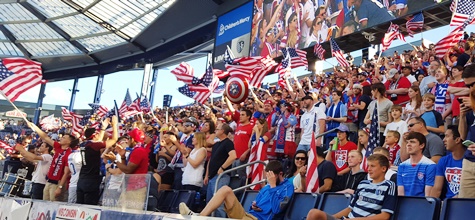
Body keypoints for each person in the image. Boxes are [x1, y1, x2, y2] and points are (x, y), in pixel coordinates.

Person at [180, 160, 294, 219]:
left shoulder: (287, 187)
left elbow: (276, 210)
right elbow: (252, 206)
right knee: (225, 189)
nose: (269, 179)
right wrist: (254, 205)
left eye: (271, 176)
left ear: (280, 174)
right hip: (248, 215)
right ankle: (199, 216)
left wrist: (273, 186)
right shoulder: (268, 187)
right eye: (267, 176)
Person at [306, 154, 397, 220]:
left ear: (383, 169)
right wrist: (333, 217)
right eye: (368, 166)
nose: (368, 169)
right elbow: (350, 208)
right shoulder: (363, 183)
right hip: (348, 218)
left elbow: (385, 216)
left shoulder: (389, 185)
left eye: (372, 166)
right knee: (314, 213)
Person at [28, 122, 79, 202]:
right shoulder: (58, 147)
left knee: (54, 203)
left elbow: (66, 173)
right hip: (49, 181)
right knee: (45, 202)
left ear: (69, 142)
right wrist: (35, 127)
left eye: (64, 138)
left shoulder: (69, 154)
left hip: (57, 183)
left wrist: (60, 187)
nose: (61, 138)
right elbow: (46, 138)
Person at [77, 116, 118, 205]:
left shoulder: (84, 144)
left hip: (81, 179)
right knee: (89, 209)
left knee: (78, 207)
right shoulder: (94, 145)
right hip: (91, 181)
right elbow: (114, 140)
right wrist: (115, 125)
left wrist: (103, 128)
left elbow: (98, 140)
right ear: (94, 135)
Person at [204, 123, 236, 217]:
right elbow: (211, 160)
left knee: (218, 205)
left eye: (217, 129)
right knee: (209, 203)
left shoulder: (228, 143)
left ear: (222, 131)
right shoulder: (217, 144)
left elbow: (233, 156)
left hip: (221, 177)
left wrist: (222, 168)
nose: (215, 131)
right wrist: (207, 175)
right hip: (212, 177)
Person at [397, 132, 436, 197]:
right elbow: (401, 194)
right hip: (405, 204)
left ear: (422, 145)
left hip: (421, 204)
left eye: (412, 142)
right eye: (407, 142)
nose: (408, 144)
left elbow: (428, 195)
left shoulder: (430, 165)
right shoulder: (402, 166)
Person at [430, 125, 464, 199]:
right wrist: (430, 206)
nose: (444, 140)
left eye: (447, 136)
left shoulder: (470, 161)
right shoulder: (443, 161)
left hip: (466, 203)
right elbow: (437, 189)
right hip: (448, 204)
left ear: (457, 140)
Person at [459, 63, 475, 198]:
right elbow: (463, 136)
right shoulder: (470, 102)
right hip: (470, 161)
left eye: (472, 84)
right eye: (467, 86)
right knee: (465, 206)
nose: (470, 89)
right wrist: (462, 116)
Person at [169, 117, 197, 190]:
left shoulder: (193, 137)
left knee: (178, 189)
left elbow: (186, 152)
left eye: (187, 125)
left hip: (183, 167)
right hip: (178, 165)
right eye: (184, 125)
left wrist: (175, 142)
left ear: (194, 127)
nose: (184, 127)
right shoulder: (185, 138)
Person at [233, 109, 253, 185]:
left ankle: (242, 194)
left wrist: (246, 153)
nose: (240, 117)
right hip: (235, 157)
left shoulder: (251, 127)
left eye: (243, 115)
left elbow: (253, 143)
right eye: (240, 115)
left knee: (242, 178)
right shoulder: (239, 127)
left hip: (244, 157)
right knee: (234, 179)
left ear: (248, 116)